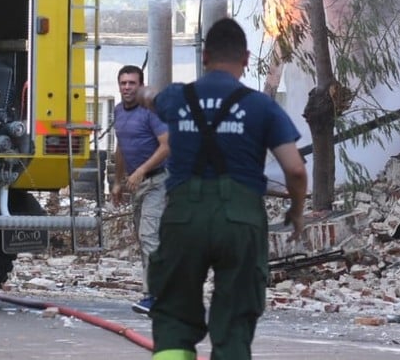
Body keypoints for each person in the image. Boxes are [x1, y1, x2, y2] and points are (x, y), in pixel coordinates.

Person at [137, 18, 307, 360]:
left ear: (205, 57)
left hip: (183, 219)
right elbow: (295, 169)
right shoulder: (261, 106)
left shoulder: (178, 97)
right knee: (234, 321)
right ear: (246, 59)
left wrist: (141, 94)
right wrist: (297, 211)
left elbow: (149, 96)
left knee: (173, 314)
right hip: (240, 221)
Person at [110, 65, 169, 315]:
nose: (127, 88)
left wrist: (142, 170)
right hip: (136, 185)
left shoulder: (151, 111)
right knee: (145, 238)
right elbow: (121, 147)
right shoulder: (118, 111)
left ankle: (154, 296)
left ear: (140, 85)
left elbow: (167, 146)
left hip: (158, 181)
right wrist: (117, 181)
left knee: (149, 236)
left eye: (132, 83)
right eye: (123, 83)